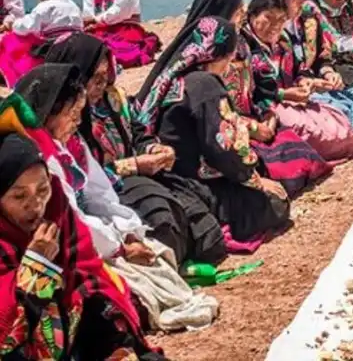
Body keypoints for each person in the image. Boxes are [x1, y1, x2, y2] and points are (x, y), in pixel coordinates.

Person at [15, 63, 219, 333]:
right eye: (71, 114)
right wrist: (119, 246)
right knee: (119, 299)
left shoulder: (71, 145)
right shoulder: (39, 158)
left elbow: (100, 194)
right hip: (69, 247)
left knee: (156, 254)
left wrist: (129, 233)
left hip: (101, 237)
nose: (78, 122)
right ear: (49, 112)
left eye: (79, 113)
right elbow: (70, 217)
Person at [43, 31, 226, 266]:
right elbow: (89, 176)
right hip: (115, 185)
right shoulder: (66, 118)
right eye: (95, 79)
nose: (103, 85)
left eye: (105, 76)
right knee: (161, 219)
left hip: (132, 178)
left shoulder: (111, 98)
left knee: (204, 220)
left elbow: (136, 130)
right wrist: (134, 166)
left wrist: (152, 148)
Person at [0, 107, 165, 360]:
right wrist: (35, 268)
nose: (35, 205)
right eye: (19, 196)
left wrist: (117, 347)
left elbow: (92, 283)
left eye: (42, 190)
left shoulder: (59, 217)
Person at [134, 16, 291, 243]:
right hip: (194, 181)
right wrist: (254, 180)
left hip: (174, 174)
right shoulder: (205, 85)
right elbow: (222, 147)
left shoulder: (177, 77)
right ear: (223, 53)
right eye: (231, 56)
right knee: (276, 204)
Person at [238, 0, 353, 174]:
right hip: (263, 108)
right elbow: (247, 93)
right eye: (268, 18)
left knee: (336, 119)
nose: (274, 26)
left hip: (287, 101)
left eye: (281, 20)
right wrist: (283, 95)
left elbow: (298, 69)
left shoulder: (283, 42)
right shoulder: (242, 47)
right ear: (252, 14)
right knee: (311, 132)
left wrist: (305, 82)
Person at [0, 0, 83, 87]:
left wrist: (12, 25)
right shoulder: (73, 5)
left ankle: (16, 79)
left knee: (11, 39)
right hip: (76, 44)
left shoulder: (44, 6)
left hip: (54, 48)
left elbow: (25, 27)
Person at [81, 0, 162, 69]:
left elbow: (117, 12)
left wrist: (94, 20)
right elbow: (88, 6)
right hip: (103, 27)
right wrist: (89, 21)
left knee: (115, 50)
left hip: (124, 28)